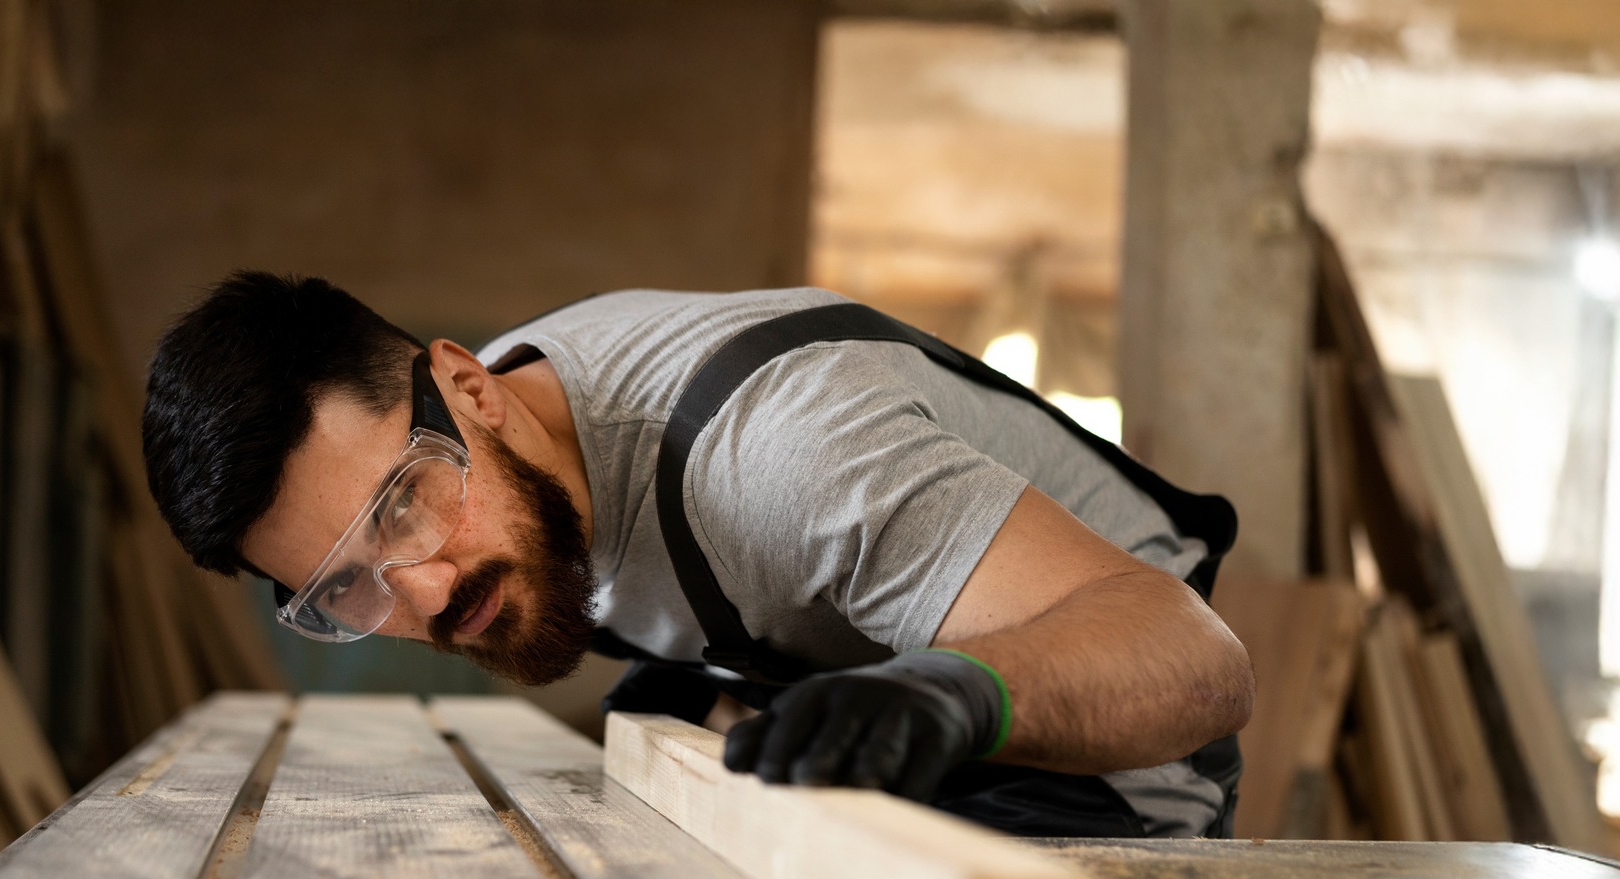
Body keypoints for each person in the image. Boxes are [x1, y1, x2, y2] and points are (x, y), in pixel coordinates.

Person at [142, 273, 1254, 838]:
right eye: (345, 585)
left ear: (471, 387)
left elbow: (1198, 667)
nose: (423, 593)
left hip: (1112, 758)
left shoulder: (787, 456)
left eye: (402, 507)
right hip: (861, 685)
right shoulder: (525, 441)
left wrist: (964, 697)